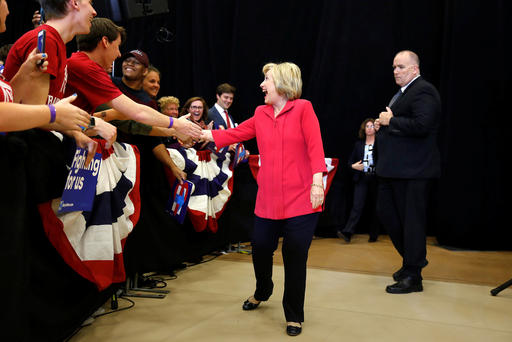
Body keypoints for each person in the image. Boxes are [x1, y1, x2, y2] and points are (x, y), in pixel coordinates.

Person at [201, 62, 326, 336]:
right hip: (268, 200)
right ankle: (263, 290)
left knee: (294, 254)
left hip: (302, 199)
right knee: (259, 247)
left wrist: (318, 182)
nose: (261, 85)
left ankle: (294, 314)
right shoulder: (261, 112)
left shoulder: (303, 108)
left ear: (282, 83)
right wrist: (202, 133)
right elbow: (234, 134)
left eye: (266, 79)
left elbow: (316, 147)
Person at [374, 50, 441, 294]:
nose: (395, 71)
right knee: (388, 215)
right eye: (394, 67)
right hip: (394, 170)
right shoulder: (404, 93)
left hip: (413, 171)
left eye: (401, 67)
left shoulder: (424, 90)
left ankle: (413, 275)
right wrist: (385, 122)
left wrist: (391, 121)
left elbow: (423, 125)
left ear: (415, 69)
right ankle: (411, 262)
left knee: (411, 223)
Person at [337, 118, 380, 243]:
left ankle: (374, 234)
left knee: (376, 207)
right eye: (367, 126)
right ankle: (348, 232)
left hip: (376, 179)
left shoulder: (380, 143)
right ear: (364, 129)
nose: (370, 128)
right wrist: (353, 166)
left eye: (372, 126)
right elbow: (350, 162)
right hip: (361, 178)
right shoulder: (359, 145)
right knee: (357, 206)